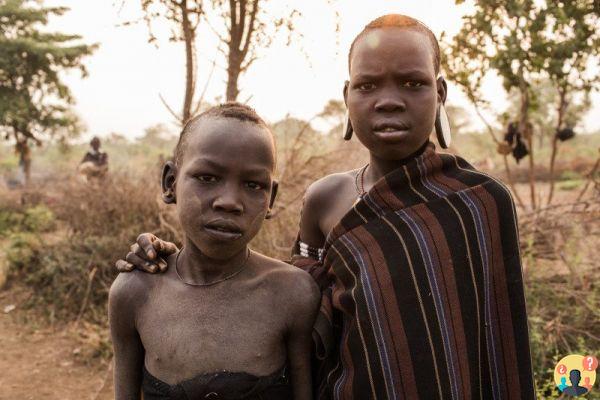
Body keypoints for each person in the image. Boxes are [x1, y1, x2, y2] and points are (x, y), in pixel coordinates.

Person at [116, 14, 535, 399]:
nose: (388, 100)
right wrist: (166, 261)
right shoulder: (324, 201)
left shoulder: (480, 203)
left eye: (413, 83)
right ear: (348, 96)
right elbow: (301, 317)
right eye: (368, 85)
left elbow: (500, 344)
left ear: (439, 93)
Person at [109, 103, 320, 399]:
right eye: (208, 178)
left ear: (270, 198)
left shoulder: (294, 293)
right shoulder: (135, 292)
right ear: (171, 183)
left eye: (252, 184)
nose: (229, 201)